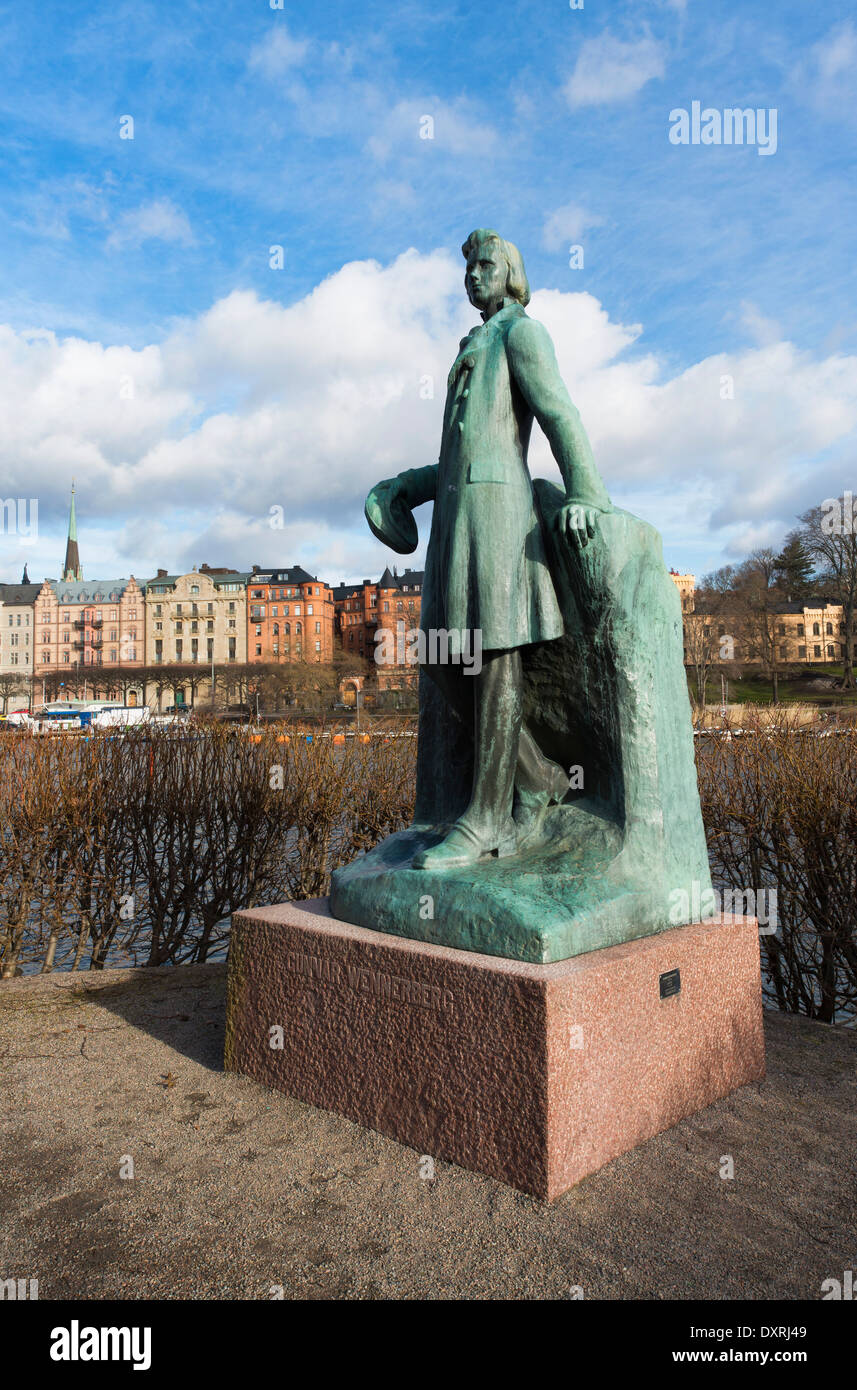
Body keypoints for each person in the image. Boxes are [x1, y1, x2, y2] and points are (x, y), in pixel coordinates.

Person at [366, 229, 612, 869]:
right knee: (446, 660)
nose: (474, 275)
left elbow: (559, 413)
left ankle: (486, 820)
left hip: (501, 518)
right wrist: (405, 488)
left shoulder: (521, 333)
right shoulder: (473, 344)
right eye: (468, 266)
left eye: (486, 265)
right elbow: (457, 454)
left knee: (493, 657)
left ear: (512, 275)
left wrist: (587, 492)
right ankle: (542, 780)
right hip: (456, 522)